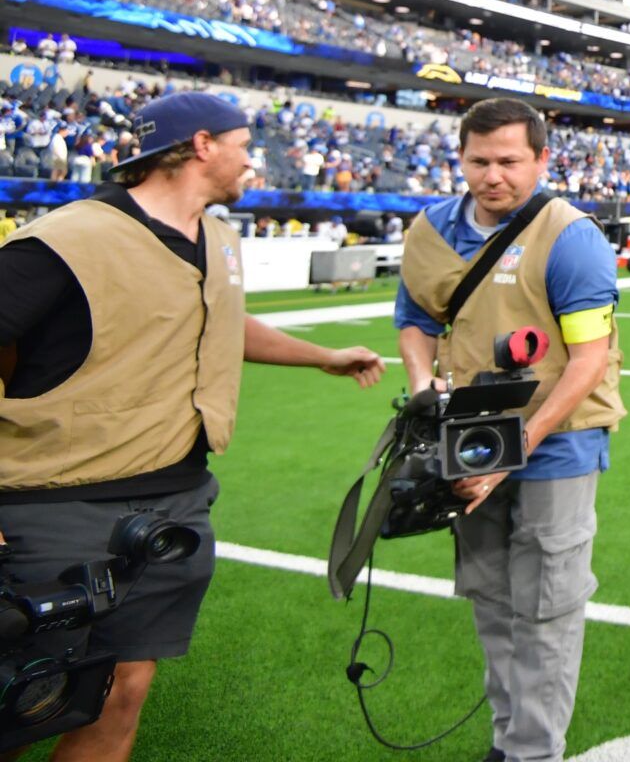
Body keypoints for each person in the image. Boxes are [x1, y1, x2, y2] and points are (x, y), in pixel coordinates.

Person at [0, 92, 384, 761]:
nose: (252, 161)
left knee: (123, 691)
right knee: (18, 700)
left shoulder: (219, 238)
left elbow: (220, 319)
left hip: (174, 502)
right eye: (244, 144)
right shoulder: (67, 238)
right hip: (58, 500)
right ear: (202, 144)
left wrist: (324, 357)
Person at [394, 98, 624, 762]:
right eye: (479, 161)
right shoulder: (430, 231)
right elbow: (415, 318)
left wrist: (516, 449)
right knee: (490, 594)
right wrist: (419, 386)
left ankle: (533, 752)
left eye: (510, 162)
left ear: (542, 160)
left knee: (547, 603)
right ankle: (510, 738)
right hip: (467, 437)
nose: (493, 176)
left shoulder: (571, 236)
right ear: (460, 158)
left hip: (561, 439)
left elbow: (588, 361)